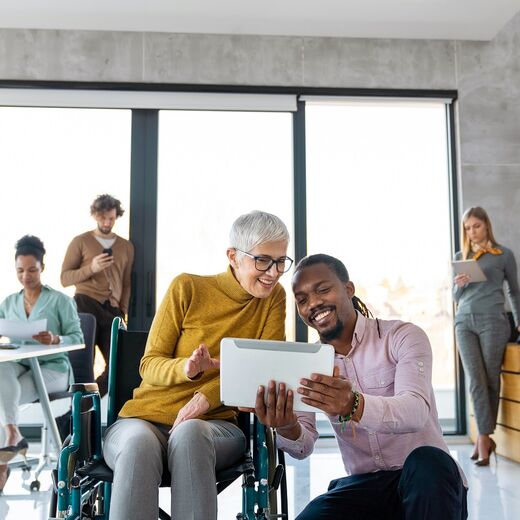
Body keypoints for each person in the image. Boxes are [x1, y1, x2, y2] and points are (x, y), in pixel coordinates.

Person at [102, 210, 292, 520]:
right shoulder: (187, 288)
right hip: (142, 420)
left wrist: (206, 396)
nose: (273, 272)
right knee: (138, 444)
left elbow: (265, 367)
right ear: (233, 256)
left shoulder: (273, 299)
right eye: (263, 260)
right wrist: (186, 370)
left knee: (191, 433)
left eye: (281, 261)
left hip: (215, 427)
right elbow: (149, 365)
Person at [253, 254, 467, 520]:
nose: (314, 303)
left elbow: (415, 410)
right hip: (366, 487)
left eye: (323, 290)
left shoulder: (402, 336)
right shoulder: (307, 362)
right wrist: (286, 426)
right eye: (302, 300)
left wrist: (354, 404)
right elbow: (303, 447)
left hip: (429, 484)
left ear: (348, 289)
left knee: (428, 461)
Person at [0, 235, 83, 493]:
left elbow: (77, 338)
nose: (26, 276)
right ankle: (13, 434)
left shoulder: (60, 301)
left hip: (52, 368)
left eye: (32, 270)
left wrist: (56, 338)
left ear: (42, 268)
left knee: (3, 400)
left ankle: (3, 463)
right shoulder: (9, 302)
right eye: (20, 271)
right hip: (20, 366)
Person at [453, 206, 520, 466]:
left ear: (486, 226)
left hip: (493, 321)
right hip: (464, 322)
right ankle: (484, 438)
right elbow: (455, 297)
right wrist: (458, 286)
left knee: (491, 379)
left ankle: (484, 437)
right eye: (467, 228)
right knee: (475, 380)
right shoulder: (461, 256)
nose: (472, 232)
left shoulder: (504, 255)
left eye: (476, 226)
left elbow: (514, 291)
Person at [61, 194, 134, 397]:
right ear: (94, 215)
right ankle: (77, 414)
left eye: (111, 218)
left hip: (113, 309)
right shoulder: (80, 242)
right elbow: (65, 278)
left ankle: (87, 402)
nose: (106, 223)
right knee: (83, 364)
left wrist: (123, 310)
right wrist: (92, 267)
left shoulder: (126, 247)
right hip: (85, 304)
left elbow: (127, 282)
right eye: (102, 218)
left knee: (119, 364)